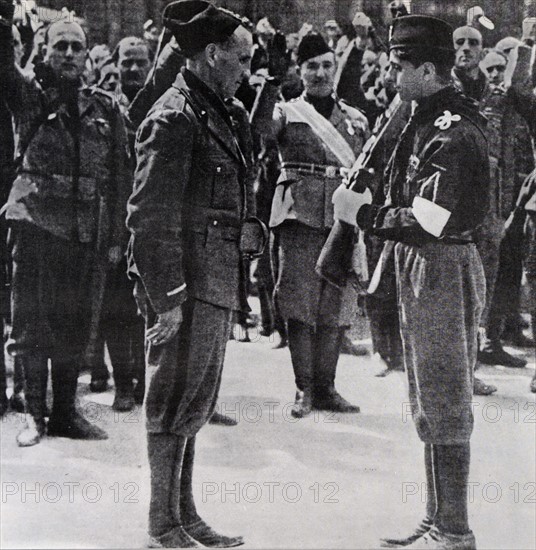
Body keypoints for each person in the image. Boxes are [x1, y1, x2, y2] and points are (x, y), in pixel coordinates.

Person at [333, 15, 489, 549]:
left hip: (441, 265)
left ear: (427, 69)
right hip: (421, 264)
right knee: (427, 398)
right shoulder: (423, 119)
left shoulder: (452, 130)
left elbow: (431, 217)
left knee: (445, 398)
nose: (390, 75)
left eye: (399, 66)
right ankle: (435, 516)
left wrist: (364, 214)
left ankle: (454, 529)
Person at [126, 1, 263, 546]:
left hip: (214, 277)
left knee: (196, 397)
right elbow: (148, 216)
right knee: (171, 396)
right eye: (242, 59)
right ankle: (162, 524)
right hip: (185, 283)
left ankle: (184, 513)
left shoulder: (219, 110)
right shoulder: (174, 115)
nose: (246, 70)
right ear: (212, 54)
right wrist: (169, 297)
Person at [0, 4, 131, 446]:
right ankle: (34, 416)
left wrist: (115, 237)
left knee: (77, 325)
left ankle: (64, 414)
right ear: (46, 50)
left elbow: (118, 179)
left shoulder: (106, 109)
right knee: (33, 326)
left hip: (84, 233)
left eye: (78, 47)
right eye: (61, 46)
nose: (70, 54)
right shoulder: (28, 96)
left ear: (89, 57)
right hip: (36, 227)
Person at [251, 34, 368, 418]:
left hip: (341, 216)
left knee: (336, 303)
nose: (320, 73)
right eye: (311, 66)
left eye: (326, 65)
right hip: (298, 215)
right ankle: (304, 389)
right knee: (300, 302)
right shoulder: (286, 112)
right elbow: (262, 132)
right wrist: (269, 84)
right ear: (300, 72)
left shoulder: (354, 120)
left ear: (336, 68)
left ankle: (327, 388)